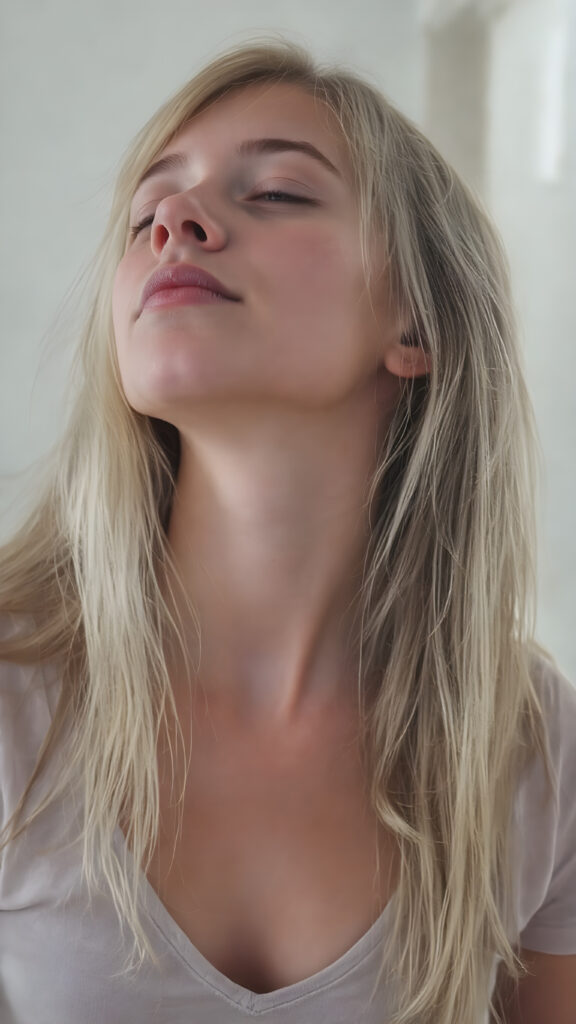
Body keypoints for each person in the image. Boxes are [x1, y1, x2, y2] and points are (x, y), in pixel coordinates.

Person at [0, 38, 575, 1024]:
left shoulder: (531, 748)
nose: (173, 222)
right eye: (146, 212)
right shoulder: (15, 696)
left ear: (417, 324)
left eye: (276, 193)